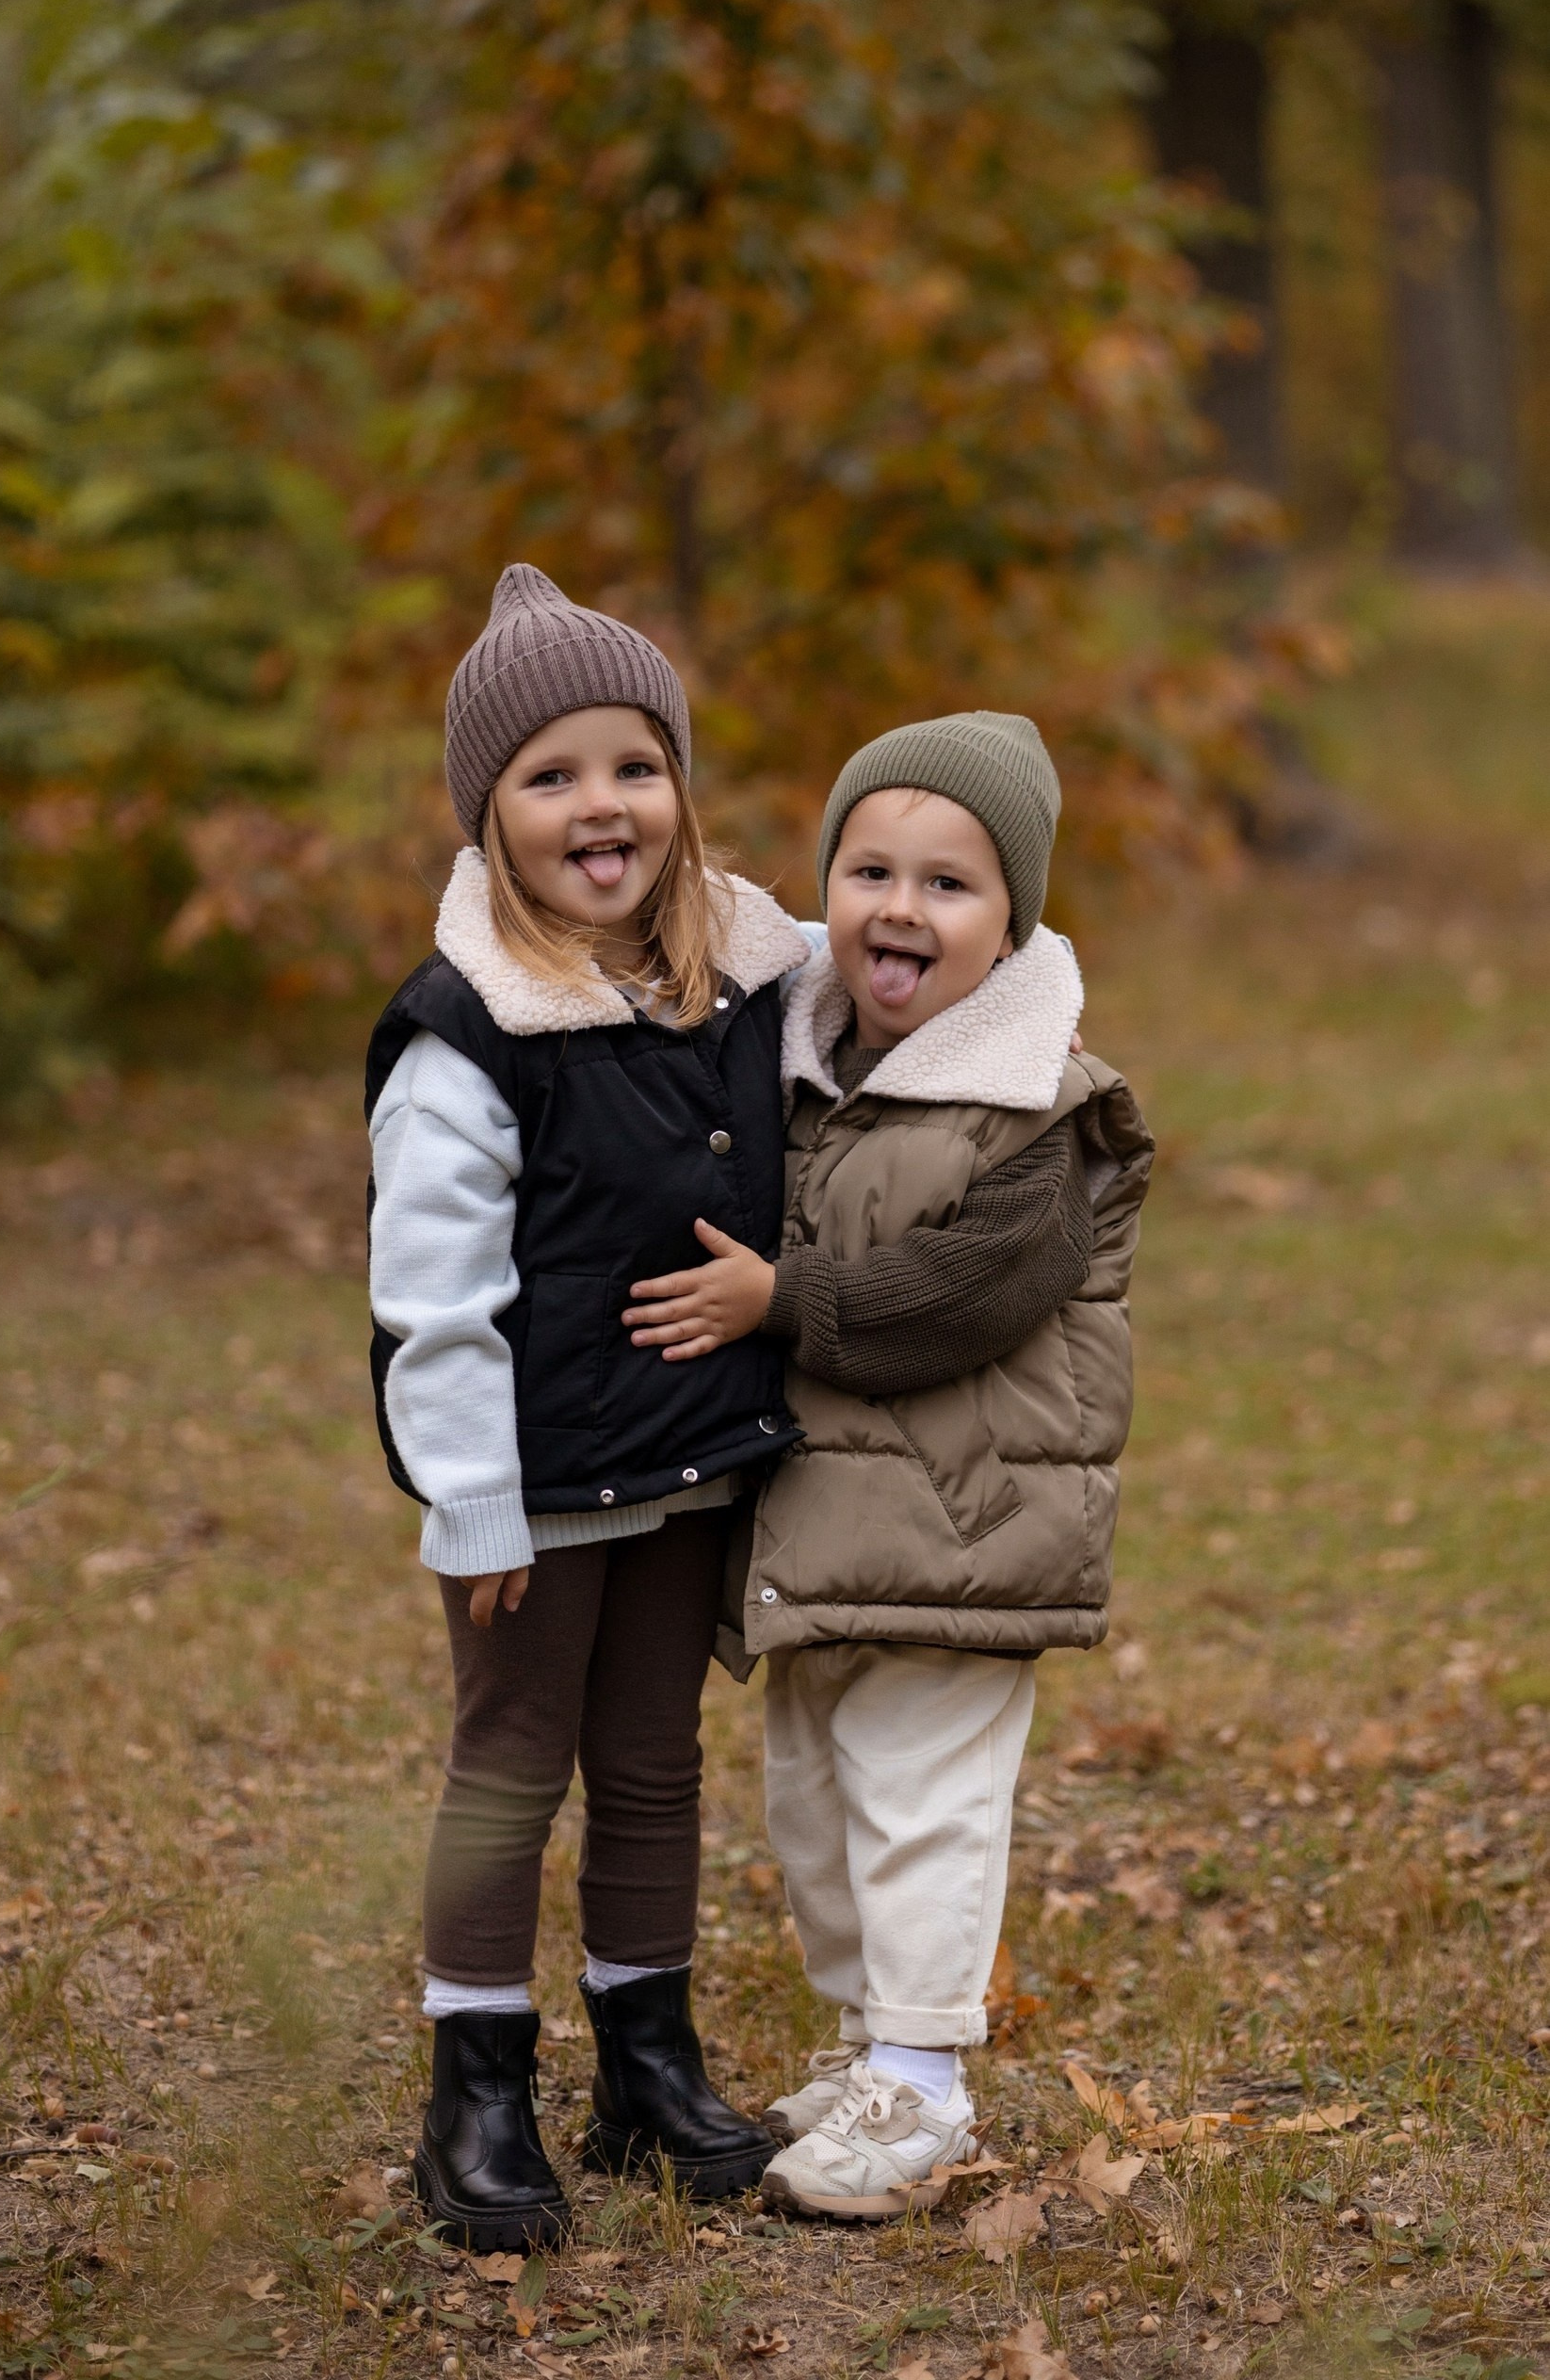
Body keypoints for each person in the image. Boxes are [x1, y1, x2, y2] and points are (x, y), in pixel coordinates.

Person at [621, 711, 1153, 2220]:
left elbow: (965, 1295)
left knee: (922, 1804)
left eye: (950, 883)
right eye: (869, 870)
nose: (900, 909)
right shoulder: (800, 1066)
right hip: (825, 1523)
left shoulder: (1038, 1105)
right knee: (817, 1806)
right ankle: (869, 2049)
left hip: (967, 1533)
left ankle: (923, 2085)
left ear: (1014, 920)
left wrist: (781, 1299)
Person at [364, 564, 810, 2250]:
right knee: (510, 1769)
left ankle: (648, 2059)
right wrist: (468, 1498)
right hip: (535, 1490)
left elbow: (914, 946)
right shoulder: (464, 1035)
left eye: (633, 763)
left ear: (680, 787)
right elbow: (434, 1299)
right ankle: (475, 2085)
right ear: (491, 817)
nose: (599, 804)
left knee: (648, 1766)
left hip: (688, 1459)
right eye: (550, 776)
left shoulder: (747, 972)